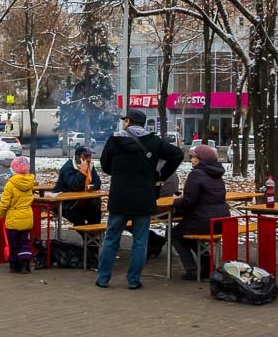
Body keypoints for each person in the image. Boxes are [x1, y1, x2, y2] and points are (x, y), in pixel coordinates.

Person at [96, 109, 184, 289]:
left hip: (119, 196)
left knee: (112, 238)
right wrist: (160, 176)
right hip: (144, 197)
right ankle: (134, 280)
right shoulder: (153, 141)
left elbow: (105, 166)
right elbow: (177, 154)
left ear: (128, 121)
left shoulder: (114, 140)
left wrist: (119, 172)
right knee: (140, 241)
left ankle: (103, 278)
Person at [170, 144, 230, 280]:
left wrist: (176, 201)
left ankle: (192, 270)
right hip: (220, 221)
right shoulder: (217, 174)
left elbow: (189, 202)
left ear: (200, 159)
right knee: (190, 235)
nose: (191, 160)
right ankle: (208, 267)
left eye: (193, 157)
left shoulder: (196, 174)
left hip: (203, 221)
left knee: (174, 234)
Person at [0, 155, 36, 272]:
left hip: (13, 217)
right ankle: (25, 264)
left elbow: (5, 202)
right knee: (24, 241)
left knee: (13, 242)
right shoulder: (29, 182)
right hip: (27, 215)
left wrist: (1, 213)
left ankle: (14, 264)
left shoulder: (11, 184)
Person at [53, 145, 102, 226]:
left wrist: (89, 188)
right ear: (77, 158)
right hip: (65, 204)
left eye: (90, 156)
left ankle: (93, 237)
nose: (89, 159)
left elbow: (97, 182)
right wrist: (82, 172)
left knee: (95, 211)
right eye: (86, 156)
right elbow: (75, 186)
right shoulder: (68, 168)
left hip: (81, 202)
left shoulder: (90, 167)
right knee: (79, 219)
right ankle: (89, 236)